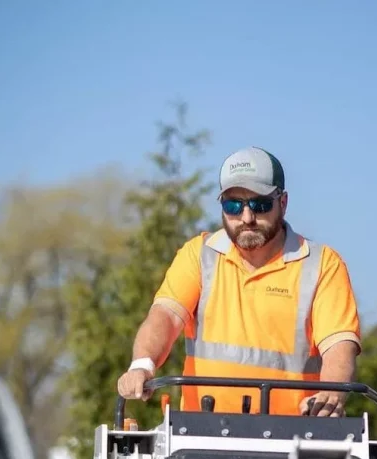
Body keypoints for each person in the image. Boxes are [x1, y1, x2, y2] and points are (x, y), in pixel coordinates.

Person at [116, 146, 362, 417]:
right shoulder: (199, 255)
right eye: (233, 205)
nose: (246, 218)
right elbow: (165, 315)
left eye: (260, 205)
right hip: (202, 434)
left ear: (283, 202)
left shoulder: (322, 264)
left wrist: (332, 392)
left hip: (295, 438)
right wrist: (142, 364)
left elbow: (338, 346)